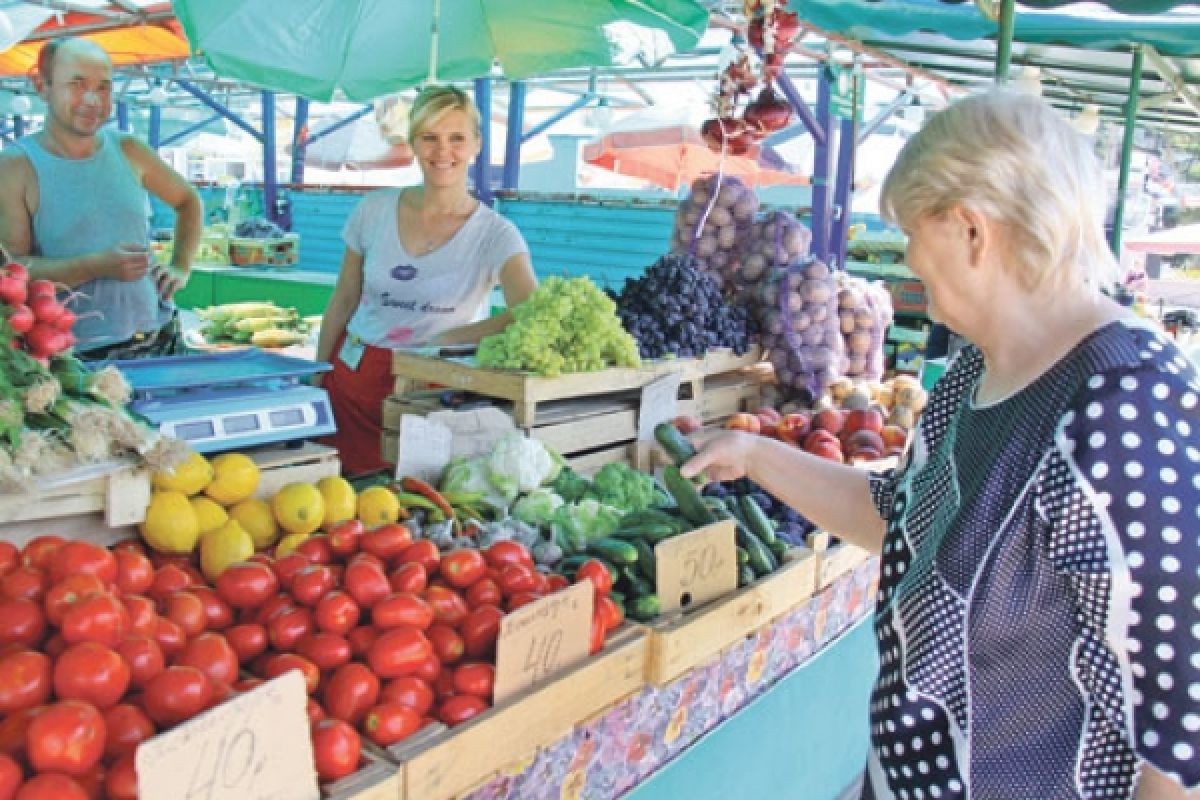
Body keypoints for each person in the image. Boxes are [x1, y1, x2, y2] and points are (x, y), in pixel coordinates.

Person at [684, 91, 1199, 800]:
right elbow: (904, 519)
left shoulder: (1124, 402)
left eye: (912, 232)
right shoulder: (972, 375)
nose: (908, 258)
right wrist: (756, 457)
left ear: (971, 232)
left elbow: (1177, 734)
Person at [315, 85, 536, 476]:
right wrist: (318, 372)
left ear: (476, 145)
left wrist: (451, 338)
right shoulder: (372, 211)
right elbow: (344, 297)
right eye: (429, 138)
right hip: (351, 384)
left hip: (430, 393)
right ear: (413, 143)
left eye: (456, 138)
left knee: (413, 515)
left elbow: (531, 312)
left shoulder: (496, 234)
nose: (442, 152)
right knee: (340, 513)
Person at [0, 37, 202, 359]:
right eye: (77, 85)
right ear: (42, 85)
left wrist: (181, 265)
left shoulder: (129, 149)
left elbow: (188, 201)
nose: (93, 100)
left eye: (104, 87)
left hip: (161, 337)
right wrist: (93, 266)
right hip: (78, 358)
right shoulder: (15, 167)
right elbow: (12, 272)